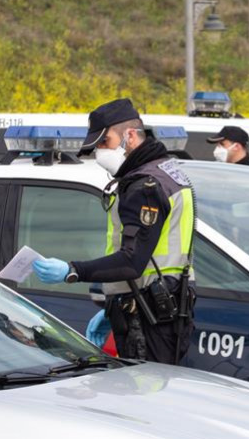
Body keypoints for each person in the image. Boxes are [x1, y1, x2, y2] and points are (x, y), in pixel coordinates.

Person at [32, 98, 196, 364]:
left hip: (150, 318)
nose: (99, 153)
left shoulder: (145, 186)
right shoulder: (165, 173)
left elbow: (132, 261)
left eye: (104, 143)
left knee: (146, 396)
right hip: (159, 307)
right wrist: (114, 304)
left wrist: (72, 270)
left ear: (129, 136)